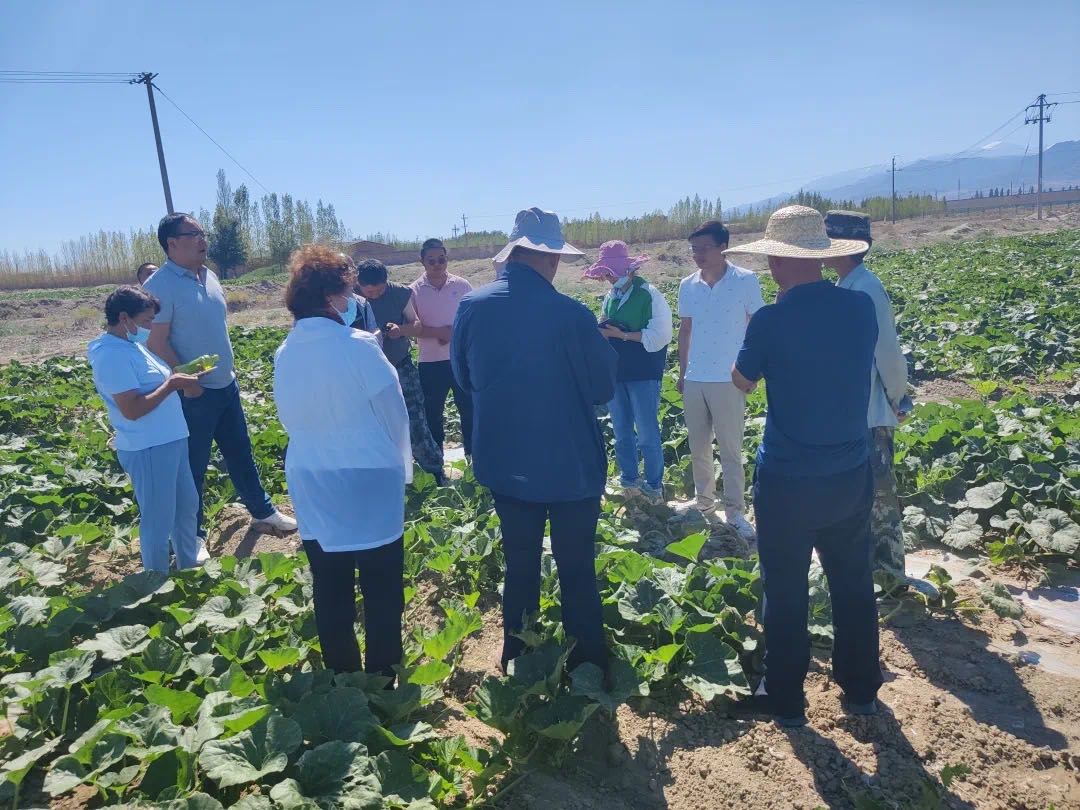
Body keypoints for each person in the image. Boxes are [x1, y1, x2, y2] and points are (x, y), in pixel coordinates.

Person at [727, 205, 882, 727]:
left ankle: (787, 700)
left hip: (789, 479)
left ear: (775, 261)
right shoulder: (860, 308)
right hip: (850, 471)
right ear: (822, 256)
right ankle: (861, 689)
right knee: (853, 582)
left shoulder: (771, 321)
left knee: (786, 588)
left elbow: (742, 381)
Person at [452, 208, 617, 673]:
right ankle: (587, 663)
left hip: (506, 461)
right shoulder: (573, 315)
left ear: (512, 254)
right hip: (570, 464)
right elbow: (603, 387)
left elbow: (463, 379)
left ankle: (519, 657)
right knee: (576, 566)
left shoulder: (472, 307)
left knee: (520, 563)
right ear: (553, 259)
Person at [273, 245, 411, 677]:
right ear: (332, 296)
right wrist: (402, 467)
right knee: (381, 586)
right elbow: (395, 414)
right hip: (368, 475)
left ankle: (343, 677)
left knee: (330, 584)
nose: (353, 299)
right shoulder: (360, 347)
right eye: (349, 291)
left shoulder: (285, 351)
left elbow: (288, 417)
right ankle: (383, 679)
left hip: (311, 475)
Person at [145, 213, 297, 542]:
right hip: (193, 394)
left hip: (226, 384)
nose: (203, 240)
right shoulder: (159, 286)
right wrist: (189, 382)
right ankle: (192, 536)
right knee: (193, 466)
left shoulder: (209, 276)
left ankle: (262, 512)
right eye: (194, 234)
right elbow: (156, 343)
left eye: (203, 233)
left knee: (241, 453)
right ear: (172, 243)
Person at [823, 211, 916, 592]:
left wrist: (897, 396)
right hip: (852, 411)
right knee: (860, 498)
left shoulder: (866, 289)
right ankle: (866, 572)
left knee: (879, 499)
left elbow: (888, 354)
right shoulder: (849, 284)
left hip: (871, 412)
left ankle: (890, 577)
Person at [88, 286, 204, 572]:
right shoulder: (110, 355)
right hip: (148, 446)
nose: (150, 327)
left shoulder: (133, 347)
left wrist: (182, 379)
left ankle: (188, 569)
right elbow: (132, 409)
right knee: (158, 519)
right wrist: (171, 385)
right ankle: (156, 580)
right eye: (146, 320)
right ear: (123, 317)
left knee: (186, 508)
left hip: (173, 439)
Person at [675, 220, 765, 540]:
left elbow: (757, 326)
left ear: (723, 247)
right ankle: (704, 503)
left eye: (704, 248)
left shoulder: (745, 280)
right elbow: (685, 330)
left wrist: (752, 370)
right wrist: (682, 372)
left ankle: (735, 510)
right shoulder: (688, 285)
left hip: (729, 377)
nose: (698, 255)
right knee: (698, 446)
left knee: (730, 449)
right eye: (694, 249)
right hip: (696, 376)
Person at [583, 241, 672, 501]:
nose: (609, 278)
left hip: (644, 372)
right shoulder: (611, 297)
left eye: (611, 273)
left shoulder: (649, 294)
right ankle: (629, 481)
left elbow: (661, 335)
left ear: (628, 270)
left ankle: (654, 486)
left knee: (646, 432)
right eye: (606, 274)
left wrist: (622, 335)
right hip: (617, 372)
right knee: (622, 431)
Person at [355, 258, 445, 482]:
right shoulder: (349, 298)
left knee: (415, 420)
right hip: (364, 372)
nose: (374, 295)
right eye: (369, 292)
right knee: (372, 425)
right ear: (358, 284)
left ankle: (433, 471)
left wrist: (401, 330)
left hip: (400, 366)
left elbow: (417, 325)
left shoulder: (399, 293)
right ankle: (386, 475)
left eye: (379, 290)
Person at [409, 239, 474, 458]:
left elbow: (472, 320)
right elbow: (411, 327)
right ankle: (437, 465)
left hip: (461, 360)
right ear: (422, 262)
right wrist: (439, 333)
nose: (437, 264)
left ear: (447, 259)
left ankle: (472, 461)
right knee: (433, 415)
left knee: (469, 410)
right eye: (431, 261)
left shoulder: (462, 286)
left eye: (441, 260)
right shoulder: (414, 291)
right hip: (430, 362)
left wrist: (455, 334)